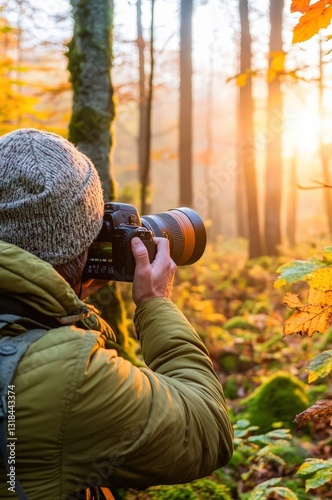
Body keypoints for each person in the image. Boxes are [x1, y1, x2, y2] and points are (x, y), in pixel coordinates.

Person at [0, 129, 233, 499]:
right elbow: (209, 429)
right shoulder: (68, 376)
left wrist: (61, 299)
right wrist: (156, 302)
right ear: (84, 246)